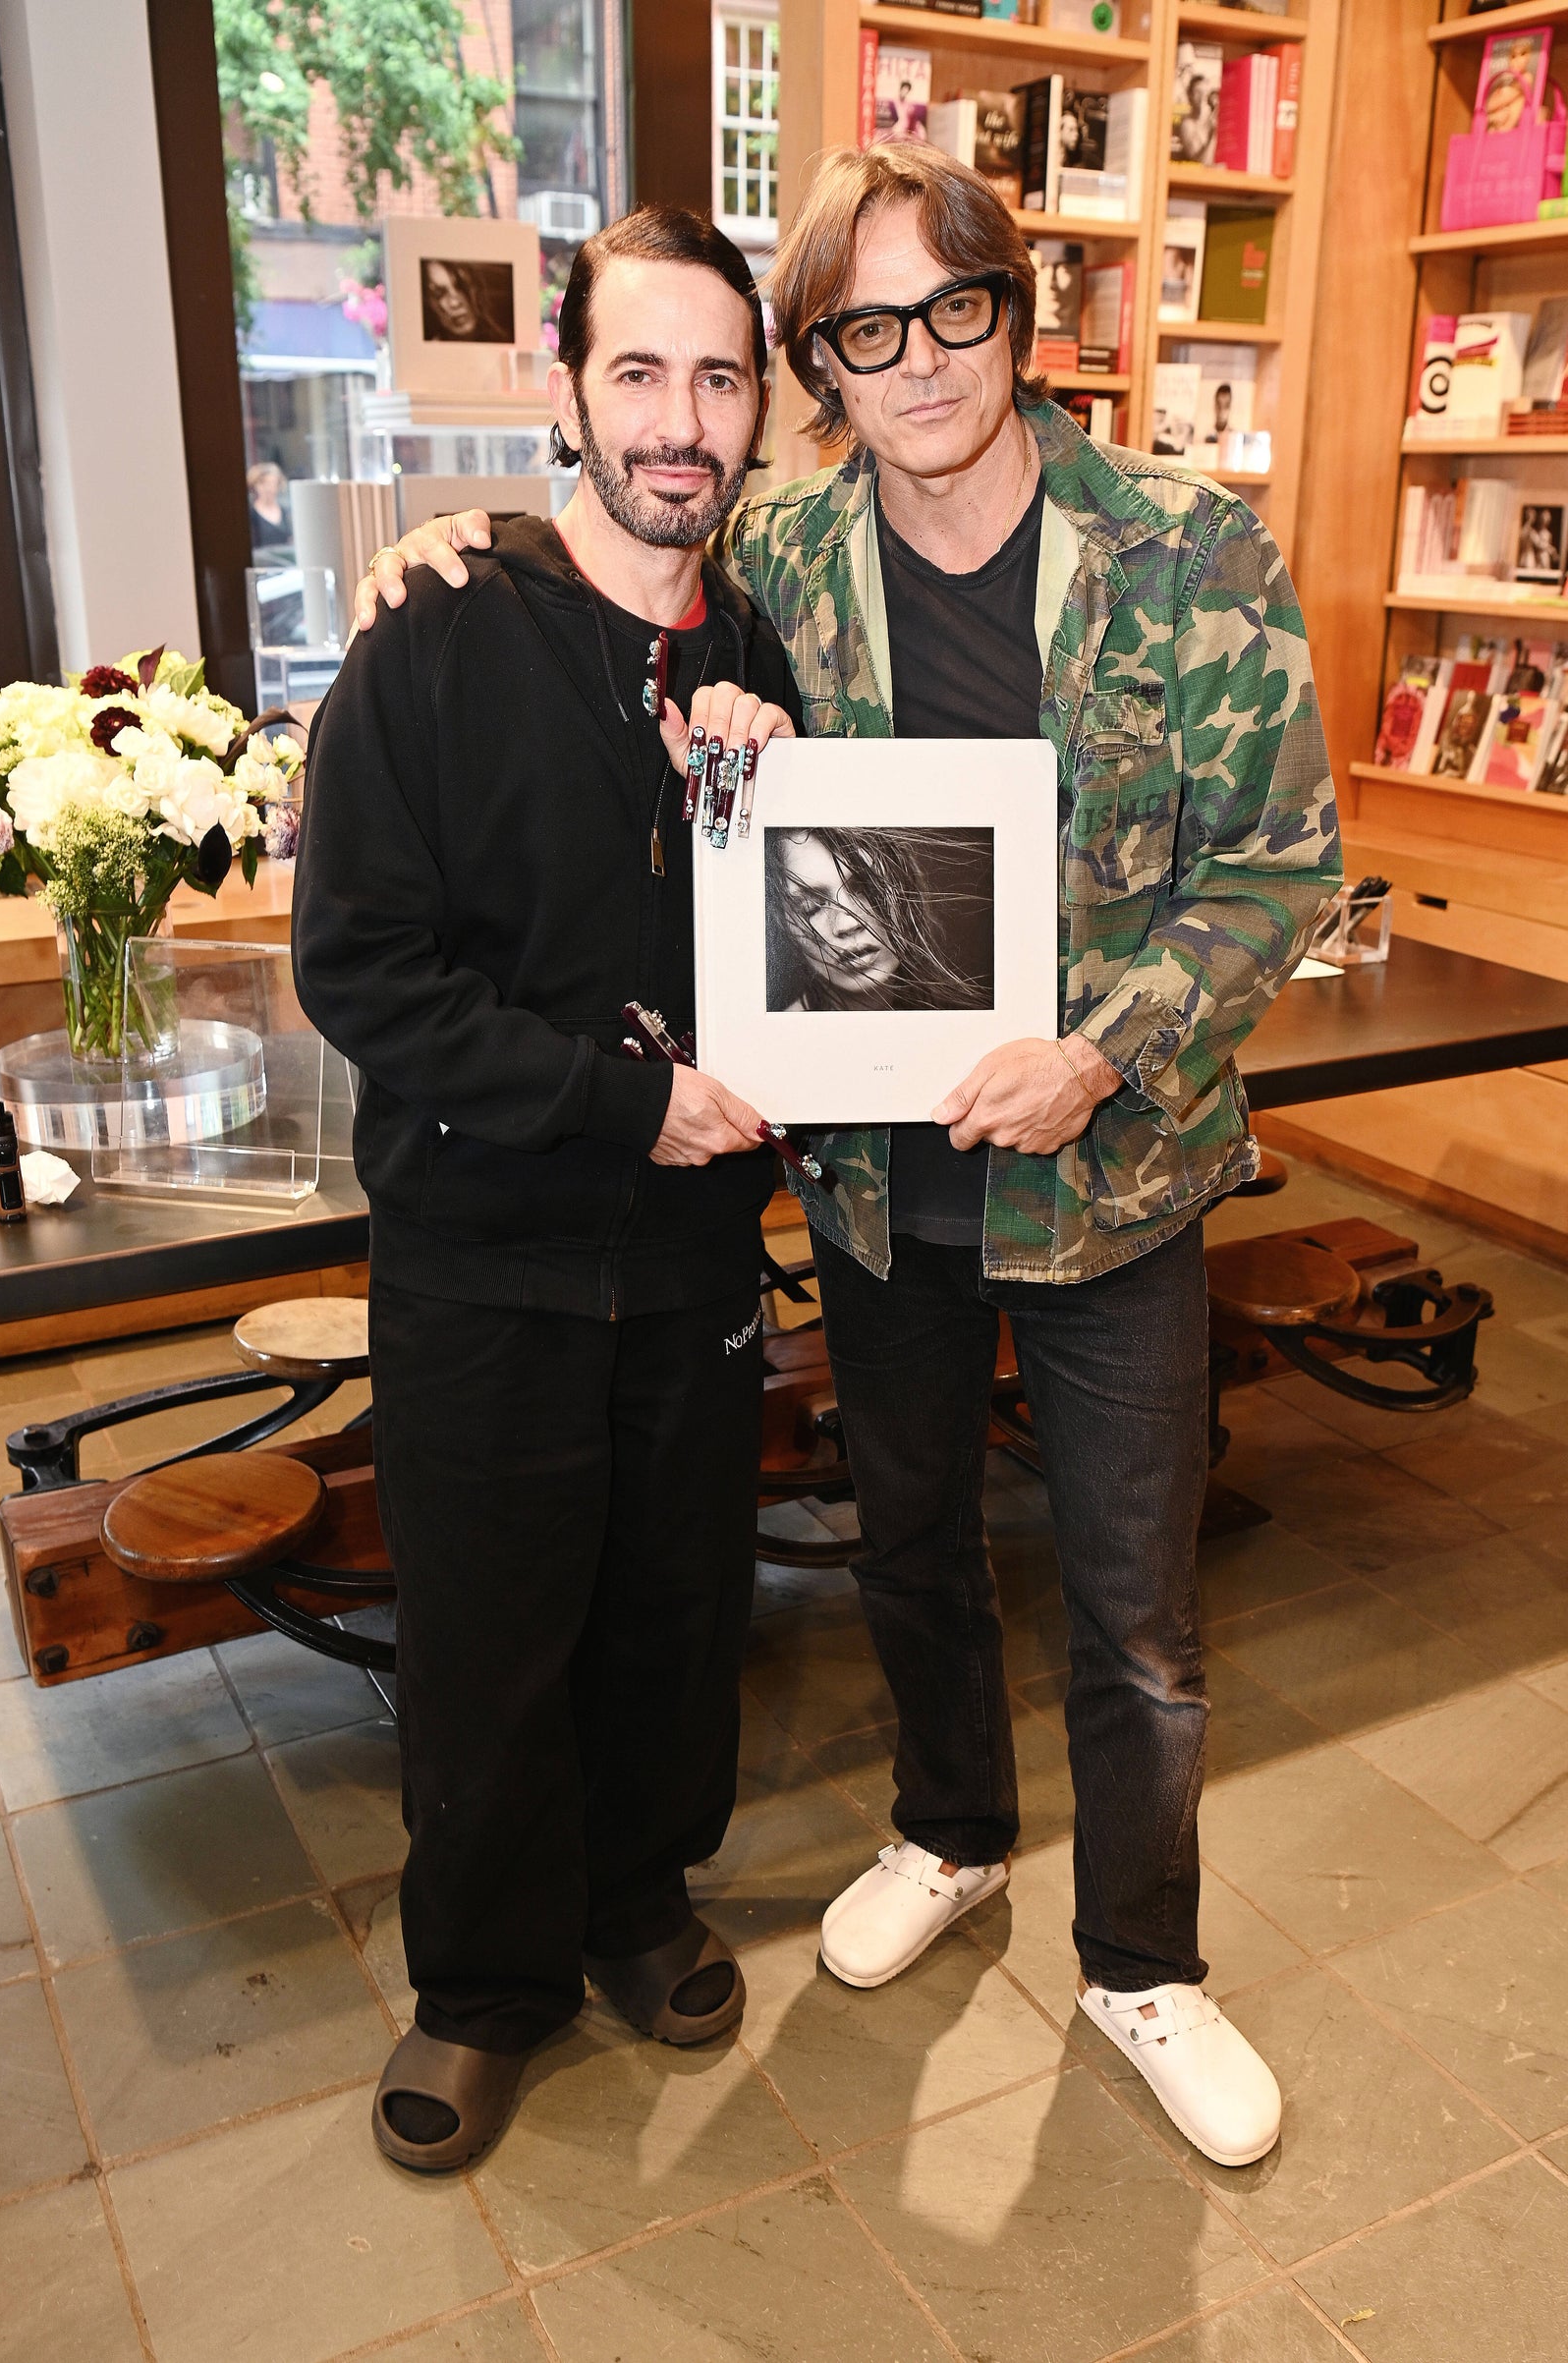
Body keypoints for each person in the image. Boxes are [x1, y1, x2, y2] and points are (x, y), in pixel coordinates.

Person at [352, 141, 1341, 2173]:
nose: (917, 362)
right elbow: (608, 544)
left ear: (1015, 314)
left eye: (951, 309)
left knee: (1137, 1613)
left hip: (1113, 1176)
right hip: (880, 1186)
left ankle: (1144, 1963)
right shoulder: (787, 560)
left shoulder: (1184, 548)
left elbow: (1280, 862)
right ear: (821, 366)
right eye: (862, 331)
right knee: (907, 1546)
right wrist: (439, 543)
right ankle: (950, 1831)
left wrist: (1102, 1050)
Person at [292, 203, 799, 2175]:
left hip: (690, 1259)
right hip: (481, 1255)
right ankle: (486, 1983)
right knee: (490, 1632)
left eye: (719, 377)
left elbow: (799, 966)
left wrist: (769, 787)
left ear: (758, 407)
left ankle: (635, 1898)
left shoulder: (755, 657)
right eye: (639, 371)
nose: (681, 420)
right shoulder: (431, 634)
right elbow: (364, 971)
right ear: (565, 391)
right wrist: (618, 1105)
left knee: (675, 1602)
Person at [765, 827, 994, 1012]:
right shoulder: (776, 1043)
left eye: (867, 888)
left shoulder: (968, 1026)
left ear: (907, 885)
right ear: (782, 923)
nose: (847, 923)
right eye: (811, 907)